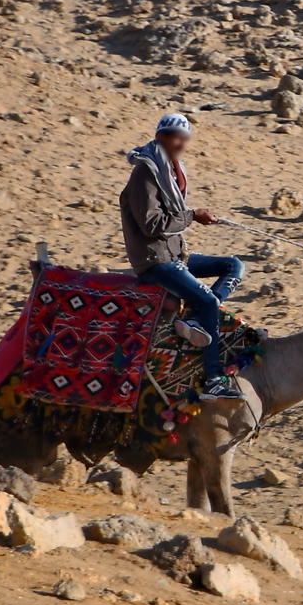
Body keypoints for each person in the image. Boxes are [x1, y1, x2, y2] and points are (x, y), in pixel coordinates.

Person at [120, 113, 247, 402]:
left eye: (184, 138)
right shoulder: (146, 172)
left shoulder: (171, 170)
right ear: (160, 136)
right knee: (208, 301)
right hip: (156, 261)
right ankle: (214, 379)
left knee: (234, 265)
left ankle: (195, 321)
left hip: (176, 254)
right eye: (174, 136)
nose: (180, 143)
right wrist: (191, 216)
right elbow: (151, 224)